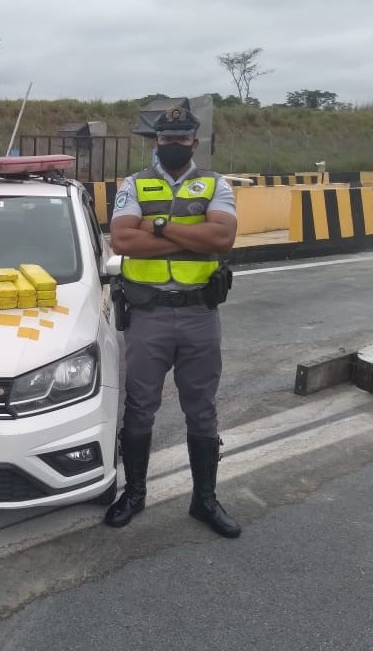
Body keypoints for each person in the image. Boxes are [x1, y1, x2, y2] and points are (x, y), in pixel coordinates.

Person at [104, 105, 241, 538]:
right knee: (140, 406)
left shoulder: (215, 184)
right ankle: (135, 493)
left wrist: (158, 226)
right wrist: (190, 232)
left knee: (201, 409)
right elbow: (123, 239)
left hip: (201, 314)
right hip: (148, 315)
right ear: (156, 142)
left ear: (194, 142)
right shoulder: (135, 183)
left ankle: (204, 500)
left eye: (182, 139)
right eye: (167, 139)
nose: (174, 145)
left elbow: (222, 238)